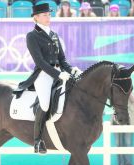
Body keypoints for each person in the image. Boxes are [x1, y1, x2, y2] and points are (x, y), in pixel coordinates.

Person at [13, 3, 81, 154]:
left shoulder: (54, 35)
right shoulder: (32, 36)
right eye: (44, 15)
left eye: (49, 14)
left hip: (60, 74)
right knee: (44, 104)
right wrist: (58, 74)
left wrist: (71, 69)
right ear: (35, 18)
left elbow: (62, 60)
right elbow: (40, 62)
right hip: (43, 75)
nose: (48, 17)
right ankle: (37, 141)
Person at [112, 92, 134, 165]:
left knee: (128, 143)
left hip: (128, 120)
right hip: (116, 121)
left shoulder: (129, 91)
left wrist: (129, 92)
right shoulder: (115, 91)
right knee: (118, 144)